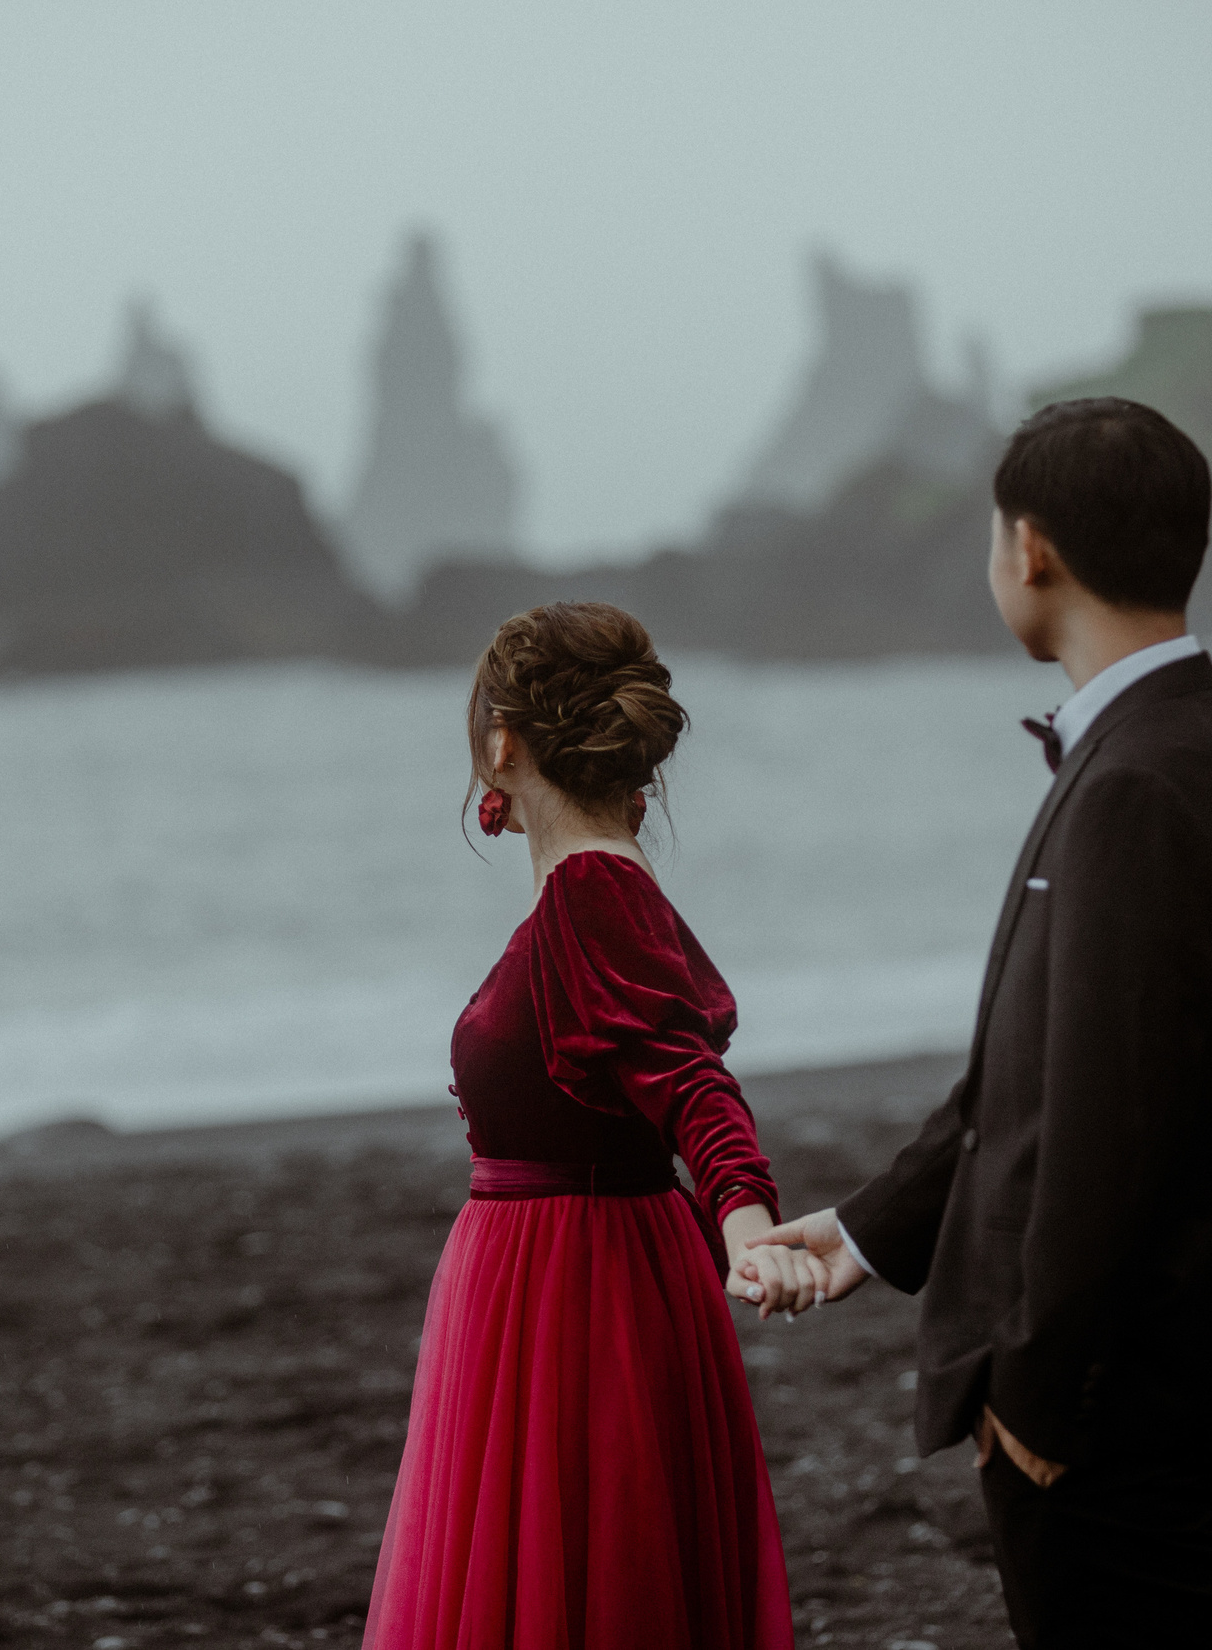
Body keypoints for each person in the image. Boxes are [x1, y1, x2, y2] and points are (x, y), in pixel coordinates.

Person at [757, 398, 1212, 1647]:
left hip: (1101, 1400)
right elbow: (1037, 1069)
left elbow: (1110, 1118)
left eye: (993, 536)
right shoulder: (1193, 749)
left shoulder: (1140, 783)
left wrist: (1042, 1399)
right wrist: (868, 1230)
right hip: (1136, 1380)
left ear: (1033, 549)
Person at [362, 600, 822, 1650]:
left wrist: (749, 1226)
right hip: (572, 1278)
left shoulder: (591, 892)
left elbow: (692, 1082)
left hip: (575, 1293)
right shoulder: (597, 888)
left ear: (502, 744)